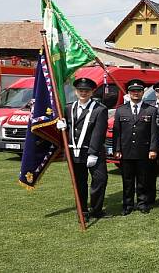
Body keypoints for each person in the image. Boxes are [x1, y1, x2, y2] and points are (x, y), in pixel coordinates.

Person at [59, 77, 109, 221]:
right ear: (76, 92)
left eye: (86, 91)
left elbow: (98, 133)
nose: (83, 93)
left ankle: (96, 209)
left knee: (100, 180)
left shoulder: (100, 109)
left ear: (92, 92)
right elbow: (68, 127)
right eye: (80, 90)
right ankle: (83, 211)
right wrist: (62, 127)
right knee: (79, 182)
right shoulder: (68, 108)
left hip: (94, 152)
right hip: (75, 152)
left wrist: (93, 153)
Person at [113, 79, 158, 215]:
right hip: (126, 151)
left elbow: (154, 132)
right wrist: (117, 149)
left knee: (142, 179)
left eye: (138, 91)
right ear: (129, 93)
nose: (136, 94)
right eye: (133, 91)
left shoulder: (151, 110)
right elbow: (117, 132)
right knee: (127, 180)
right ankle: (127, 205)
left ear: (142, 93)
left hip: (143, 151)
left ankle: (142, 203)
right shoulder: (121, 110)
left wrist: (153, 149)